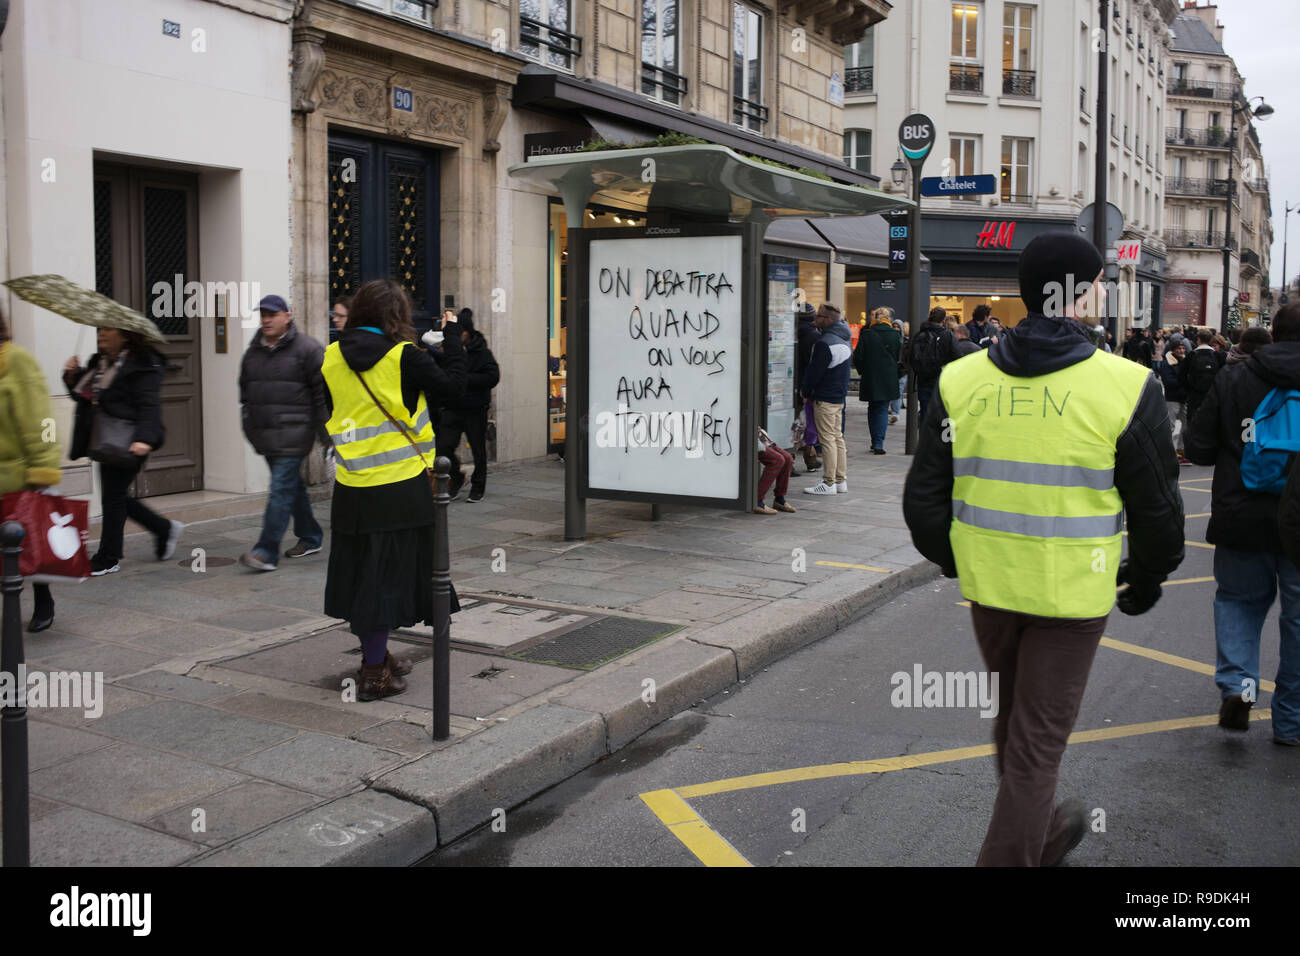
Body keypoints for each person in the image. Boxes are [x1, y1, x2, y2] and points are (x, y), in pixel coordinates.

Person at [903, 232, 1184, 866]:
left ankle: (1046, 833)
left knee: (1014, 723)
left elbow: (923, 501)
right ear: (1081, 296)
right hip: (1070, 597)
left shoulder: (961, 378)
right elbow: (1159, 508)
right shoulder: (1126, 385)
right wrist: (1147, 574)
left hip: (991, 589)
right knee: (1036, 744)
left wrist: (958, 559)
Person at [322, 279, 467, 700]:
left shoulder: (330, 356)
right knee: (384, 582)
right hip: (401, 489)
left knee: (362, 576)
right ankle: (373, 673)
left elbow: (334, 412)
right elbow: (456, 389)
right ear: (396, 316)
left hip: (351, 489)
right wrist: (453, 337)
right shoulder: (404, 357)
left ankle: (376, 654)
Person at [1184, 302, 1300, 746]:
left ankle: (1238, 687)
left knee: (1238, 603)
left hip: (1241, 512)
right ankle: (1290, 721)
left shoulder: (1235, 376)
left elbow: (1199, 448)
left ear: (1273, 332)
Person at [64, 328, 182, 576]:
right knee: (115, 496)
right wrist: (72, 376)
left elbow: (149, 405)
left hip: (129, 440)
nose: (101, 335)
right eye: (100, 330)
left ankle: (109, 556)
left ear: (125, 335)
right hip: (104, 438)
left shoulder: (142, 364)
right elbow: (85, 397)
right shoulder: (100, 362)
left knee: (113, 496)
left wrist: (145, 439)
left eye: (108, 330)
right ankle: (164, 529)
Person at [238, 294, 329, 572]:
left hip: (294, 433)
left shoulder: (308, 349)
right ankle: (311, 535)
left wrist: (327, 436)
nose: (266, 319)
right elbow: (245, 393)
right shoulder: (253, 351)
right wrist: (249, 426)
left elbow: (321, 396)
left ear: (287, 316)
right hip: (265, 434)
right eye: (263, 314)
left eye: (272, 314)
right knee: (292, 488)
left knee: (279, 489)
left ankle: (266, 551)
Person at [0, 307, 63, 632]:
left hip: (16, 477)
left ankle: (43, 599)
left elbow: (40, 421)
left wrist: (43, 469)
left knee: (28, 545)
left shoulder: (16, 362)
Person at [435, 308, 500, 502]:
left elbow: (492, 377)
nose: (458, 336)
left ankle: (478, 487)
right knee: (443, 447)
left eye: (461, 332)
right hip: (452, 407)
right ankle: (456, 477)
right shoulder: (450, 349)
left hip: (474, 409)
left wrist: (465, 379)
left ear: (468, 332)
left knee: (478, 451)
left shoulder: (482, 352)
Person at [801, 303, 852, 495]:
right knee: (838, 438)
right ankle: (840, 480)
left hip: (825, 397)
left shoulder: (825, 342)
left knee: (827, 439)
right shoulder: (844, 339)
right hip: (838, 396)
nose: (816, 320)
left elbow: (814, 372)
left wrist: (806, 392)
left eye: (819, 316)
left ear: (828, 319)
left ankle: (829, 482)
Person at [851, 306, 903, 455]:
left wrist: (863, 371)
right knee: (882, 409)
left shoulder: (867, 334)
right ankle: (879, 442)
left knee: (873, 408)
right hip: (888, 377)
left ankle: (876, 441)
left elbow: (858, 357)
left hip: (871, 376)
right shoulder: (894, 335)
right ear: (888, 319)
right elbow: (898, 357)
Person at [909, 307, 956, 420]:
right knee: (942, 412)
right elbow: (956, 355)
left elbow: (911, 356)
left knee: (925, 410)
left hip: (923, 379)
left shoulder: (920, 334)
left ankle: (925, 435)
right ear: (943, 320)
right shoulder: (947, 335)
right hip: (942, 379)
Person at [794, 301, 822, 471]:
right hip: (806, 385)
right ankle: (808, 459)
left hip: (788, 384)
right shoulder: (815, 336)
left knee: (794, 422)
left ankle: (807, 459)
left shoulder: (790, 332)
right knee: (806, 424)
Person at [1155, 340, 1189, 462]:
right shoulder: (1166, 363)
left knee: (1187, 425)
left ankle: (1181, 450)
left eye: (1183, 348)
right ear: (1173, 350)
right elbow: (1169, 381)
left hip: (1184, 398)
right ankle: (1166, 452)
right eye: (1179, 348)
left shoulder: (1186, 361)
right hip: (1172, 398)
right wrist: (1185, 383)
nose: (1181, 351)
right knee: (1170, 426)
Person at [1180, 328, 1221, 422]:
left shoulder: (1191, 355)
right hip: (1212, 395)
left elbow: (1181, 376)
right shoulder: (1218, 356)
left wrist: (1189, 388)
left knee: (1193, 422)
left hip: (1194, 395)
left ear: (1198, 339)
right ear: (1211, 340)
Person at [753, 427, 796, 515]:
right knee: (777, 460)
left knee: (788, 459)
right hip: (744, 436)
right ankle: (757, 500)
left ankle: (779, 499)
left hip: (756, 435)